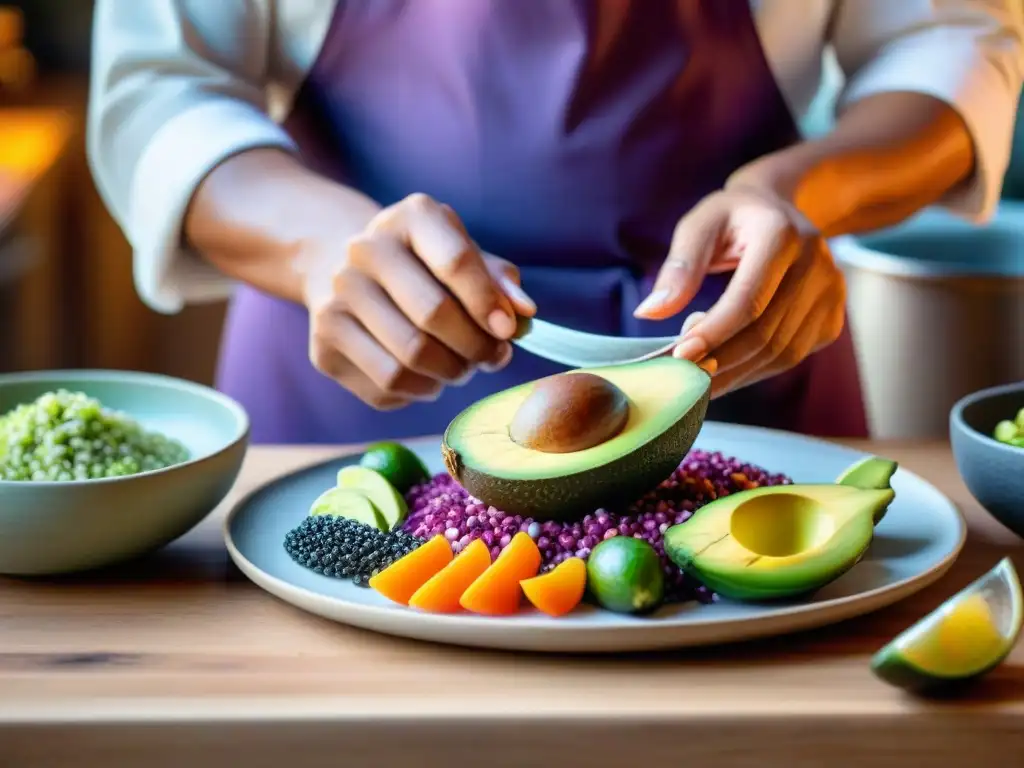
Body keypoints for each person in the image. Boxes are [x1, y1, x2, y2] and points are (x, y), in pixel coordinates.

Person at [87, 0, 1023, 444]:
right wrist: (316, 244)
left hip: (739, 387)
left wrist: (800, 193)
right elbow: (160, 87)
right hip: (355, 409)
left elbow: (948, 43)